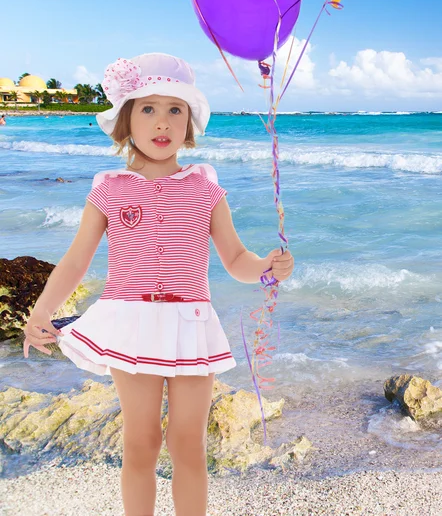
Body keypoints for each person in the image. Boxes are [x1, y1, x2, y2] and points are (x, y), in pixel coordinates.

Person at [23, 53, 294, 516]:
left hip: (191, 321)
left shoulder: (205, 188)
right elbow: (75, 261)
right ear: (126, 119)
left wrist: (266, 268)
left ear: (189, 123)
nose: (162, 121)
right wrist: (41, 312)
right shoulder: (109, 188)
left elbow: (234, 259)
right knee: (142, 440)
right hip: (130, 320)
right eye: (147, 108)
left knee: (188, 442)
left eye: (175, 109)